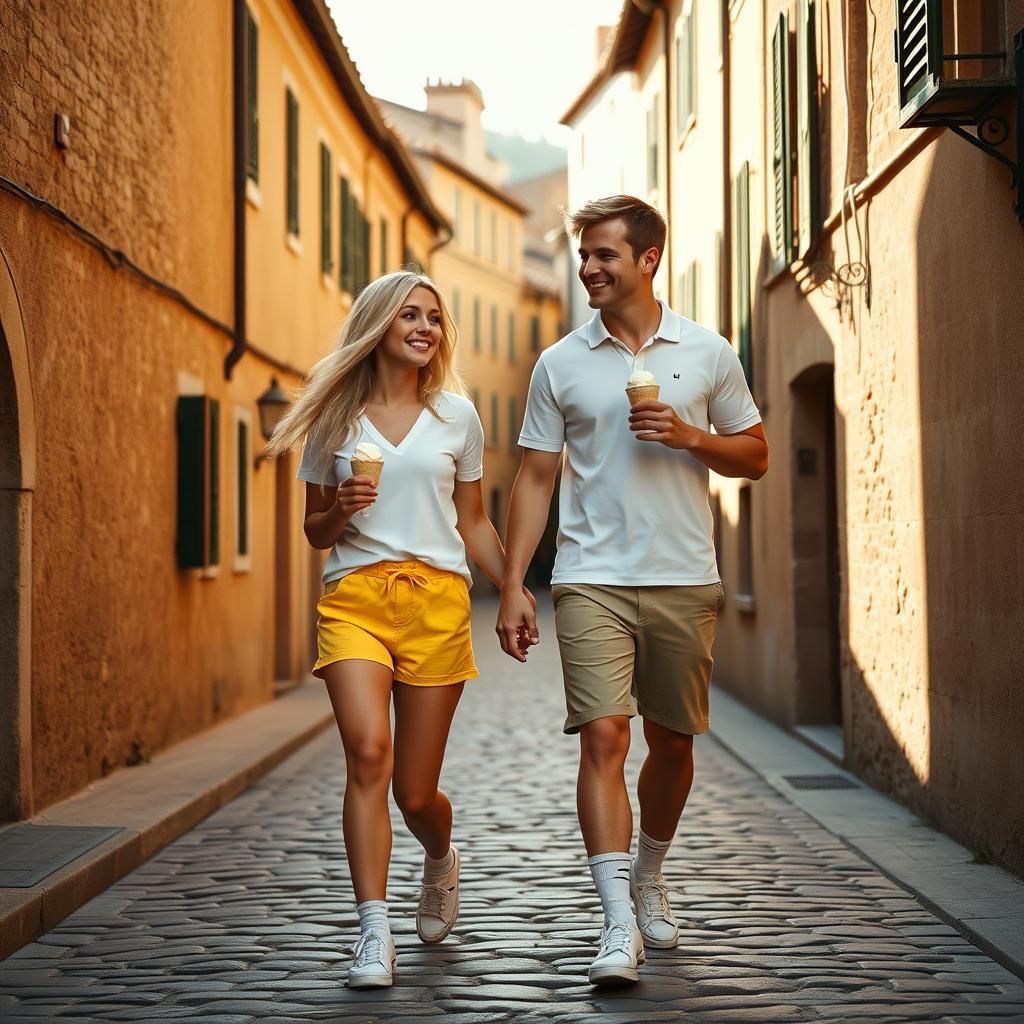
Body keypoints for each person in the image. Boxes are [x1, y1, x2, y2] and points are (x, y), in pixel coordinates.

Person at [496, 196, 768, 985]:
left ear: (648, 259)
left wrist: (689, 437)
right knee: (604, 738)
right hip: (590, 578)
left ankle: (650, 873)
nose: (588, 269)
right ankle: (618, 921)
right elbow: (536, 477)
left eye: (604, 255)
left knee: (673, 745)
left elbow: (754, 455)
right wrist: (516, 583)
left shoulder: (707, 352)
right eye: (583, 256)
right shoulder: (560, 363)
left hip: (685, 574)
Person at [267, 270, 532, 988]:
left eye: (435, 319)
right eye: (410, 315)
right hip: (354, 599)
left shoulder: (458, 417)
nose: (426, 328)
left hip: (438, 603)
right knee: (368, 756)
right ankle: (373, 933)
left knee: (416, 794)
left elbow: (473, 520)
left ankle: (440, 859)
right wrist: (344, 505)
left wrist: (511, 589)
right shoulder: (333, 418)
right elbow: (315, 530)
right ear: (378, 323)